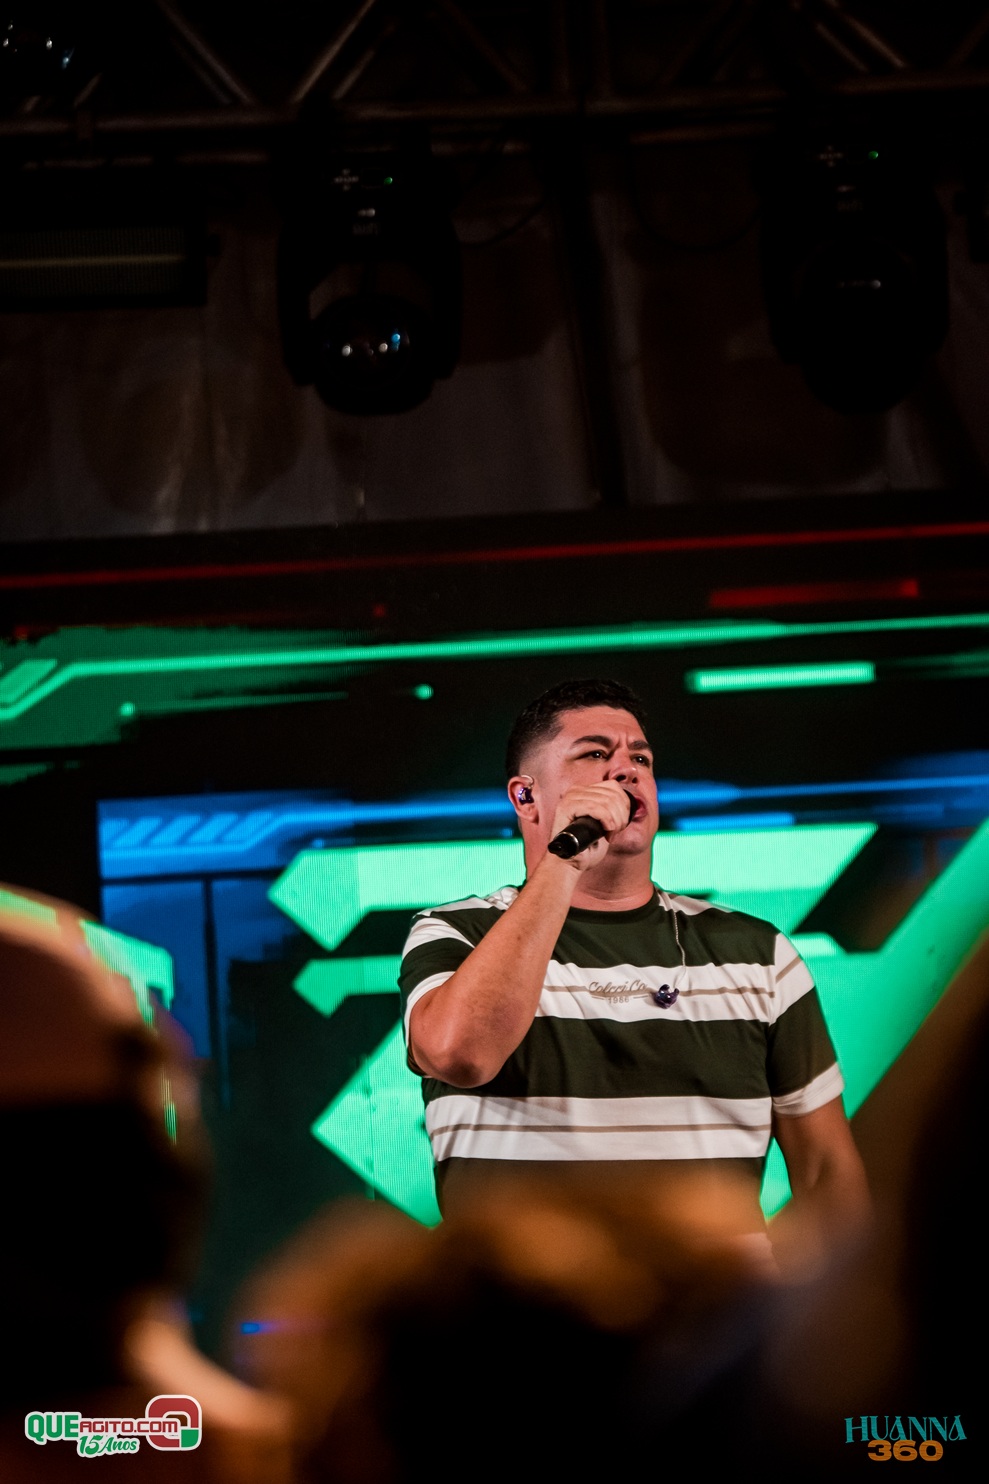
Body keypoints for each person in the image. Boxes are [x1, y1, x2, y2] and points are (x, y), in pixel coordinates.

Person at [399, 678, 871, 1265]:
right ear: (526, 797)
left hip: (715, 1313)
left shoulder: (756, 952)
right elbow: (460, 1053)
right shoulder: (458, 932)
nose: (626, 769)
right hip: (528, 1313)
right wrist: (565, 859)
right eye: (595, 754)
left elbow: (825, 1170)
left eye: (640, 759)